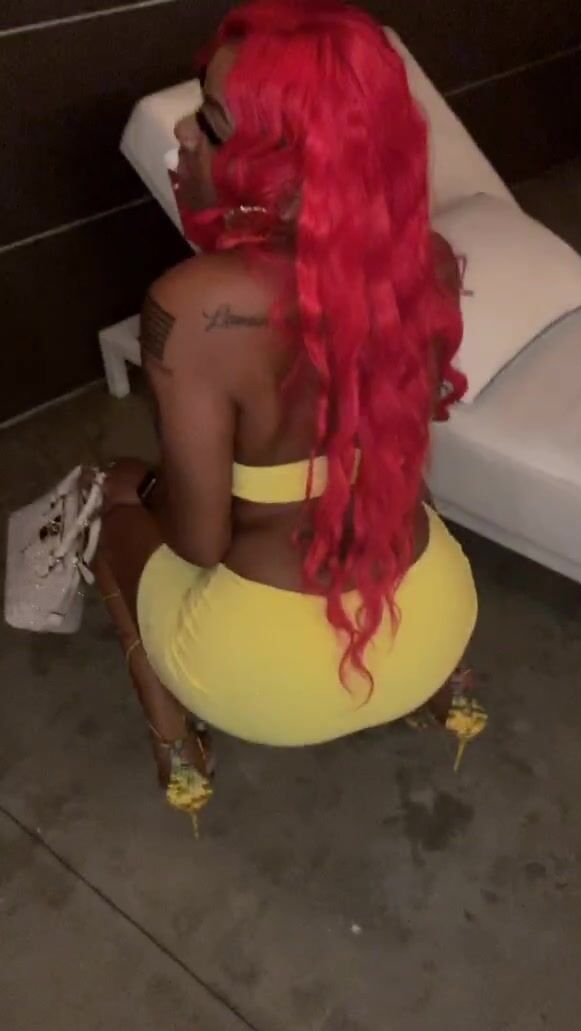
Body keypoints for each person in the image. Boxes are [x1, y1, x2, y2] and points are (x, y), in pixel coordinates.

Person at [94, 0, 486, 824]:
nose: (184, 136)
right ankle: (449, 691)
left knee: (111, 500)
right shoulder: (425, 264)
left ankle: (176, 745)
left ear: (293, 170)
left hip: (265, 678)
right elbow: (400, 456)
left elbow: (200, 543)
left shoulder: (194, 305)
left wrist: (145, 490)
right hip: (432, 620)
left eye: (211, 123)